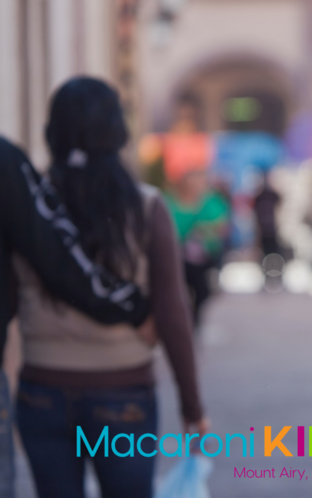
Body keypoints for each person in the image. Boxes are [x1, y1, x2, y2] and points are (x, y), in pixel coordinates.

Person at [13, 77, 208, 498]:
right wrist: (192, 406)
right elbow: (173, 313)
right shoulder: (146, 206)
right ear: (118, 133)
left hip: (41, 389)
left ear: (53, 132)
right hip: (122, 391)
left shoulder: (27, 206)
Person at [0, 137, 151, 498]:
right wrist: (133, 307)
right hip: (114, 381)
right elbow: (55, 258)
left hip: (48, 386)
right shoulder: (6, 162)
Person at [164, 169, 229, 326]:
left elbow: (223, 226)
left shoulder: (212, 201)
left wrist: (204, 231)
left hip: (203, 256)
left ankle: (193, 320)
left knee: (202, 291)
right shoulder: (168, 200)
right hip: (175, 255)